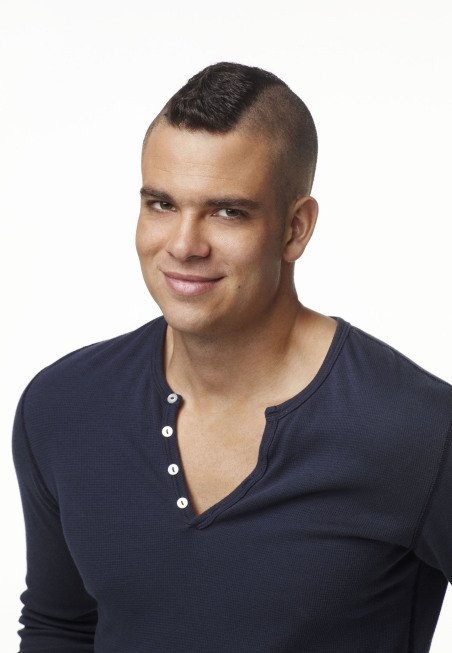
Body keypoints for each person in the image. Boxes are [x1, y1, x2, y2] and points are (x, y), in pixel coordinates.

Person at [12, 61, 452, 652]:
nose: (184, 245)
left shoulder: (418, 430)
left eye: (227, 212)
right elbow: (60, 628)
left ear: (296, 228)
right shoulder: (64, 407)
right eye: (161, 204)